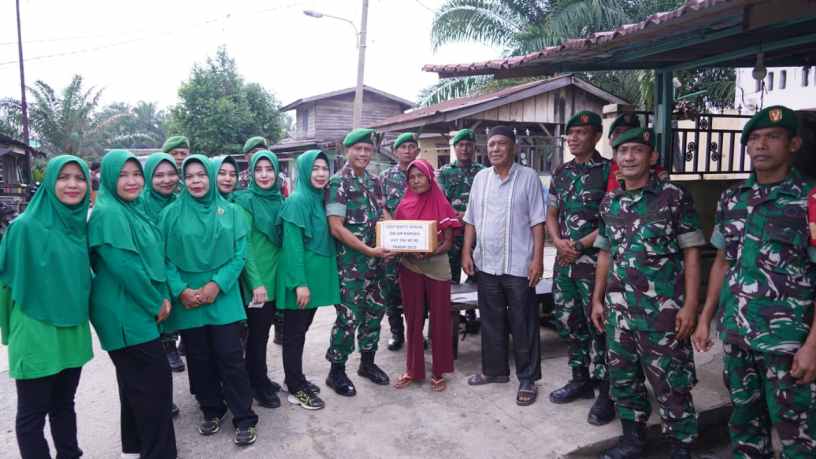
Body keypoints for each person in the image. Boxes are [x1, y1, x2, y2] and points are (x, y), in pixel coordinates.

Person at [693, 105, 816, 459]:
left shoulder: (809, 200)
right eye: (755, 139)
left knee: (798, 435)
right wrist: (706, 317)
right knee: (745, 426)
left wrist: (812, 345)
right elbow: (722, 261)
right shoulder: (733, 199)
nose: (761, 145)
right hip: (737, 336)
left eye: (772, 137)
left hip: (788, 342)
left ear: (793, 144)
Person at [590, 128, 703, 459]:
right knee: (623, 379)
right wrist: (597, 299)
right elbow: (605, 253)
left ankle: (681, 447)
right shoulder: (610, 202)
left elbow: (692, 253)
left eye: (637, 150)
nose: (629, 157)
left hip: (662, 314)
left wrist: (691, 306)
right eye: (622, 150)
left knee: (671, 382)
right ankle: (632, 441)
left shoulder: (673, 197)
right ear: (615, 157)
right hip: (619, 312)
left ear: (652, 157)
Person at [159, 155, 259, 447]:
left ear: (211, 177)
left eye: (201, 175)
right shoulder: (170, 214)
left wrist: (217, 284)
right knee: (199, 358)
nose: (196, 181)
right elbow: (163, 258)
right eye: (189, 176)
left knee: (230, 356)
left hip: (222, 295)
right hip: (188, 298)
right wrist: (181, 291)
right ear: (183, 180)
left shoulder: (232, 212)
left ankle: (244, 416)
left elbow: (240, 253)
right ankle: (212, 408)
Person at [0, 155, 93, 459]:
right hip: (35, 330)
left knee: (64, 404)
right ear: (50, 183)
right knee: (32, 415)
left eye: (79, 178)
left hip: (72, 328)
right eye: (63, 177)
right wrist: (9, 331)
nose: (72, 184)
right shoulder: (24, 227)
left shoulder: (79, 225)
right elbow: (6, 284)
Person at [88, 150, 177, 459]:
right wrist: (156, 302)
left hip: (133, 305)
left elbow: (153, 256)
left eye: (137, 174)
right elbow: (126, 266)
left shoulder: (132, 209)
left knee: (135, 384)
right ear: (109, 178)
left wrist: (161, 293)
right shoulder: (109, 213)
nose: (132, 181)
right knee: (154, 387)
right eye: (123, 175)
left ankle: (138, 444)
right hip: (124, 311)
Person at [462, 125, 546, 406]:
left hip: (519, 264)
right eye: (491, 144)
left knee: (523, 322)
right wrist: (466, 252)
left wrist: (537, 259)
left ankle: (527, 378)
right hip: (487, 262)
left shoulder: (528, 177)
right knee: (491, 320)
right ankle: (495, 370)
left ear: (514, 147)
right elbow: (471, 218)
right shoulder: (481, 178)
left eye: (501, 143)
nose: (495, 149)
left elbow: (537, 220)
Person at [546, 111, 615, 425]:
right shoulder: (561, 172)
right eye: (570, 133)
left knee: (597, 324)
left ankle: (605, 390)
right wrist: (558, 242)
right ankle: (580, 379)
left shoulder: (609, 171)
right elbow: (551, 213)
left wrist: (579, 245)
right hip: (564, 261)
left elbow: (612, 219)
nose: (573, 138)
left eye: (581, 133)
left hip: (594, 262)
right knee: (567, 319)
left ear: (596, 136)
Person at [325, 127, 393, 396]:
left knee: (375, 312)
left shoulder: (374, 181)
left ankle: (367, 363)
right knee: (348, 317)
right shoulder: (337, 184)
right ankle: (336, 371)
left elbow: (383, 212)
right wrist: (369, 250)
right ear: (347, 151)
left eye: (367, 149)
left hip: (377, 264)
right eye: (358, 149)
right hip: (350, 266)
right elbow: (336, 227)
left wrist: (396, 236)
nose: (363, 153)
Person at [277, 149, 341, 410]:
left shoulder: (319, 198)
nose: (321, 173)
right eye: (315, 168)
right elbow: (292, 246)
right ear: (304, 171)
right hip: (301, 279)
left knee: (300, 332)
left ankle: (294, 378)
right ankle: (295, 387)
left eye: (324, 168)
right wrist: (299, 284)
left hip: (314, 277)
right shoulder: (297, 201)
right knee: (293, 335)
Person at [392, 159, 459, 392]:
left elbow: (448, 242)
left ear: (430, 178)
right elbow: (398, 238)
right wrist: (407, 250)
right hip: (410, 266)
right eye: (411, 177)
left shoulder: (441, 203)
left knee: (440, 319)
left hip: (437, 266)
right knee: (413, 319)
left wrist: (431, 251)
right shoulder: (403, 207)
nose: (416, 181)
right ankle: (413, 370)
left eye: (420, 176)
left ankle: (439, 371)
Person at [233, 150, 284, 409]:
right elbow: (246, 246)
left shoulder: (279, 199)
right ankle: (257, 384)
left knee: (263, 333)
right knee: (256, 335)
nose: (264, 175)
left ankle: (258, 376)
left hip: (276, 278)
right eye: (259, 169)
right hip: (258, 281)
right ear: (251, 173)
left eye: (269, 169)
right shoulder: (245, 200)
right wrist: (256, 283)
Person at [438, 128, 485, 332]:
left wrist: (468, 214)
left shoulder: (484, 172)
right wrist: (455, 215)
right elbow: (440, 201)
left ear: (475, 148)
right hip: (453, 233)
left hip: (477, 233)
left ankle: (472, 313)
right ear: (455, 148)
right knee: (451, 276)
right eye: (461, 145)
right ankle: (452, 318)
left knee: (476, 274)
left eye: (469, 145)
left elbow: (488, 200)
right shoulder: (444, 172)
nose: (465, 149)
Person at [142, 153, 185, 376]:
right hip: (151, 266)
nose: (166, 180)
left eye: (171, 174)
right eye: (159, 175)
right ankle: (166, 346)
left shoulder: (181, 201)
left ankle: (177, 340)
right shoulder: (140, 204)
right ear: (149, 177)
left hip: (177, 262)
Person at [379, 132, 420, 351]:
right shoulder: (385, 177)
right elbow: (381, 206)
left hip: (419, 242)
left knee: (416, 291)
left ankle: (416, 333)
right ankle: (397, 333)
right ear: (395, 152)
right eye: (403, 147)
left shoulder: (424, 174)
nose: (407, 151)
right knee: (391, 290)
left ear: (418, 151)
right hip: (393, 240)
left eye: (411, 147)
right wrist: (395, 230)